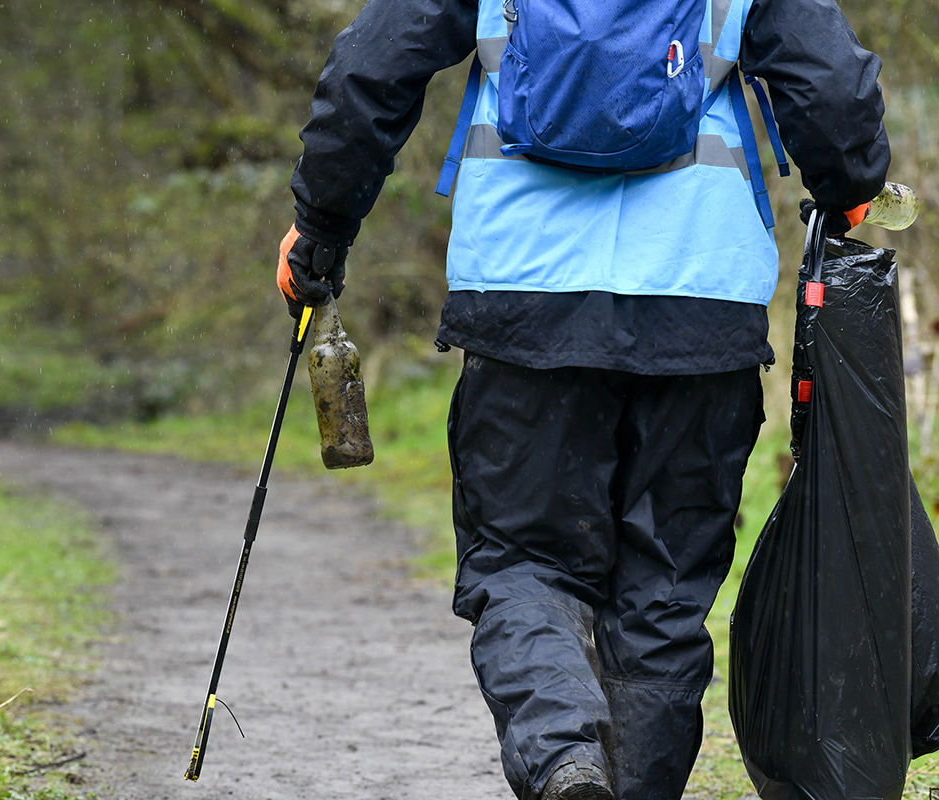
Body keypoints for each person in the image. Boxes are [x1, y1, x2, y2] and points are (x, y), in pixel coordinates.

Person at [275, 0, 890, 798]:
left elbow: (372, 67)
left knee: (521, 562)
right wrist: (849, 189)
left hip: (524, 297)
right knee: (663, 598)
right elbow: (835, 93)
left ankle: (564, 760)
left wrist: (322, 224)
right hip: (699, 306)